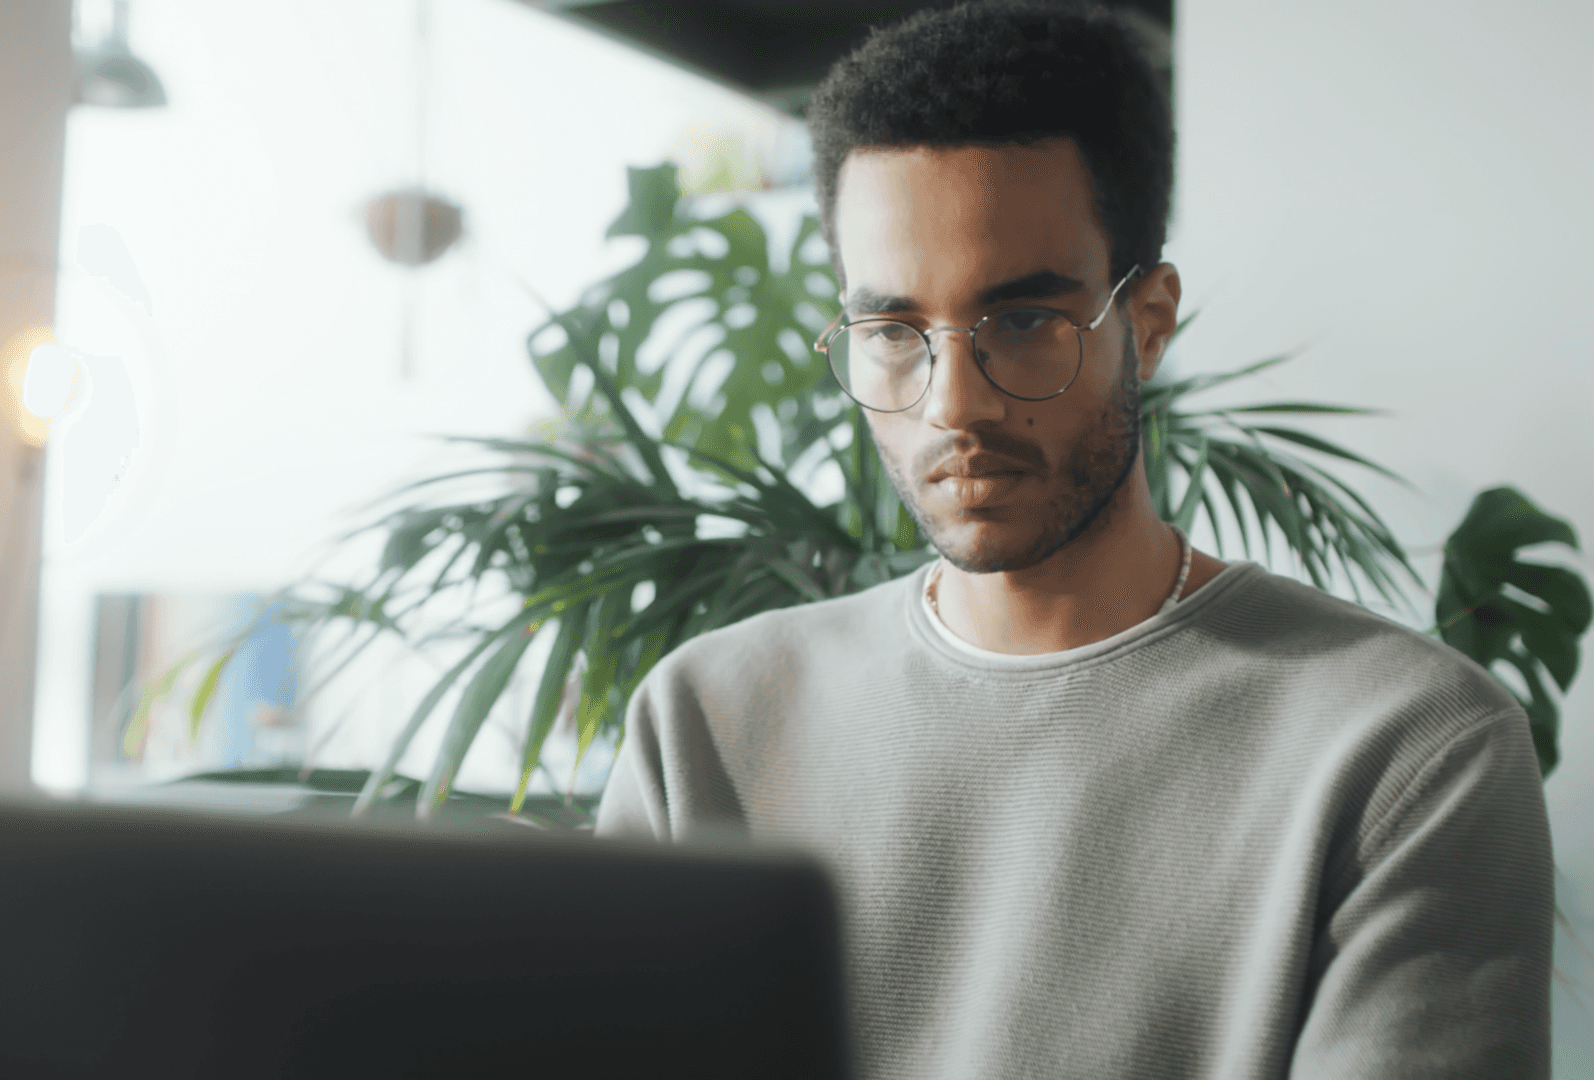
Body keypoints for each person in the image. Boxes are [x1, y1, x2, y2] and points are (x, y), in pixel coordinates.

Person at [592, 2, 1555, 1077]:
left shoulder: (1403, 745)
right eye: (894, 333)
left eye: (1021, 322)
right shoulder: (708, 720)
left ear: (1147, 318)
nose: (953, 402)